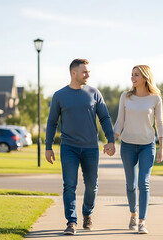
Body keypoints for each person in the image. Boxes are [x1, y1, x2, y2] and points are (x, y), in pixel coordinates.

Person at [45, 58, 116, 235]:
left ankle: (87, 214)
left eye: (88, 71)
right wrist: (48, 146)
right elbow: (52, 122)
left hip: (91, 148)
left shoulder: (94, 93)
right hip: (68, 147)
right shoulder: (59, 95)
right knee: (69, 185)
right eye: (84, 71)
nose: (88, 74)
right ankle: (71, 221)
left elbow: (105, 118)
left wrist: (110, 140)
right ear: (73, 73)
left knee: (92, 185)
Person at [113, 65, 163, 234]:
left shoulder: (155, 98)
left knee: (144, 182)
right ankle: (133, 214)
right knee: (131, 185)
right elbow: (120, 121)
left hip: (147, 146)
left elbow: (159, 124)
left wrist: (161, 147)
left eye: (136, 75)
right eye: (132, 75)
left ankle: (142, 221)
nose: (133, 78)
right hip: (127, 145)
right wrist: (111, 140)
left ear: (145, 77)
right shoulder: (125, 97)